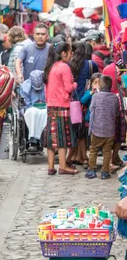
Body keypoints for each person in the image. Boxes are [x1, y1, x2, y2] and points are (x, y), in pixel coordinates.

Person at [43, 42, 78, 176]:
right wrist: (75, 83)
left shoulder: (49, 67)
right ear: (63, 53)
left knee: (52, 137)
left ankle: (51, 167)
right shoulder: (64, 67)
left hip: (51, 105)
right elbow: (69, 88)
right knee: (63, 137)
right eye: (70, 53)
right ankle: (63, 166)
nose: (71, 55)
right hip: (63, 105)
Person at [69, 41, 99, 168]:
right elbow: (97, 78)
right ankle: (83, 157)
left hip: (73, 102)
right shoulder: (91, 64)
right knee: (83, 131)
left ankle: (78, 156)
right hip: (87, 100)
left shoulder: (70, 65)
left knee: (76, 131)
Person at [85, 75, 119, 179]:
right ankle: (105, 172)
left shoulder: (95, 96)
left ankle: (92, 170)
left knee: (94, 150)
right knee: (107, 151)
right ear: (111, 86)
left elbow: (91, 109)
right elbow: (117, 113)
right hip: (110, 131)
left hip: (97, 129)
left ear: (99, 85)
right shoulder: (114, 98)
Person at [20, 70, 47, 152]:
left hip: (44, 107)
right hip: (30, 108)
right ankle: (33, 141)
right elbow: (25, 102)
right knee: (33, 113)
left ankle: (43, 138)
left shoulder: (46, 85)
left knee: (47, 113)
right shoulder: (25, 86)